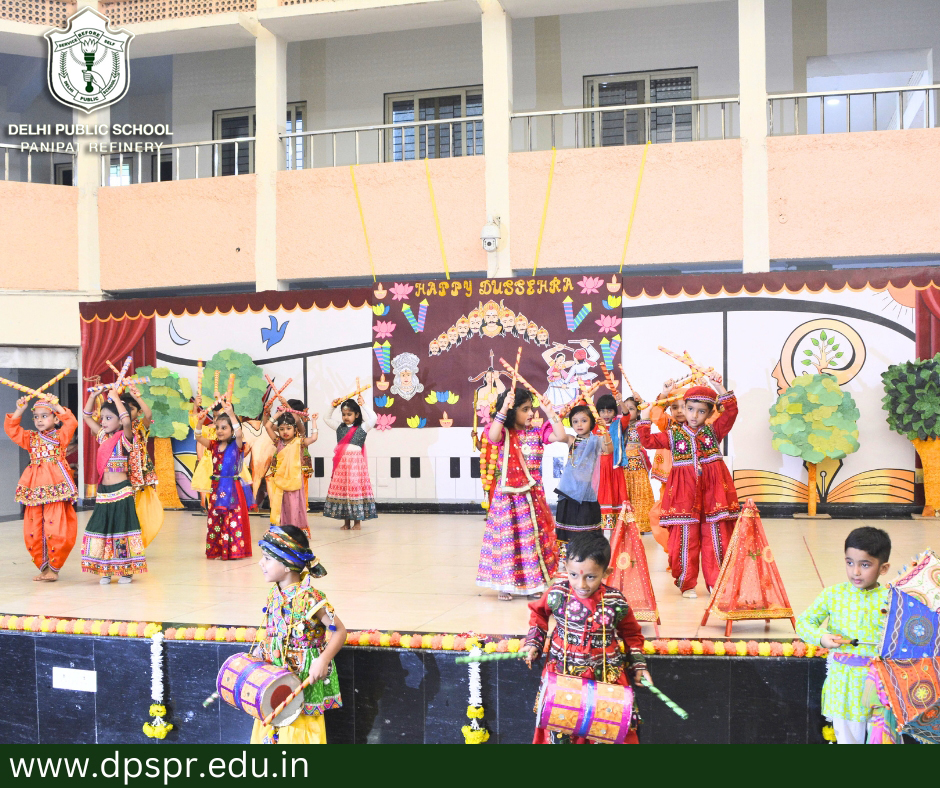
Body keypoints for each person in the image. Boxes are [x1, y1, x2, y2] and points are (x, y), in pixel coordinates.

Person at [523, 531, 652, 744]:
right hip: (563, 675)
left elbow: (631, 633)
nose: (581, 584)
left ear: (606, 572)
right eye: (574, 575)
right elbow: (538, 614)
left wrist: (638, 665)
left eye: (590, 577)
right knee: (562, 730)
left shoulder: (615, 601)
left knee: (608, 730)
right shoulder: (556, 594)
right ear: (566, 568)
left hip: (606, 676)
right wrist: (534, 643)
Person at [636, 374, 739, 598]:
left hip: (713, 494)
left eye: (701, 411)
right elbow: (647, 441)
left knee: (715, 536)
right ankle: (687, 583)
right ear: (684, 407)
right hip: (684, 495)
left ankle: (716, 582)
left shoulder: (714, 431)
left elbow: (731, 411)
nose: (694, 415)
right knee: (684, 539)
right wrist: (645, 416)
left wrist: (718, 386)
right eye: (690, 409)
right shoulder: (673, 434)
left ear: (709, 414)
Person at [796, 527, 891, 744]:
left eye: (865, 565)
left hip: (880, 685)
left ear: (883, 568)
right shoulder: (834, 595)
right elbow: (803, 623)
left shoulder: (892, 598)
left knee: (884, 739)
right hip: (843, 686)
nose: (855, 572)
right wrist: (822, 638)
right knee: (848, 740)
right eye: (849, 562)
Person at [251, 525, 345, 745]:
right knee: (269, 720)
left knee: (299, 732)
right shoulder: (274, 594)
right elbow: (276, 631)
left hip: (303, 678)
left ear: (287, 564)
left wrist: (323, 660)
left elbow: (339, 631)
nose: (260, 563)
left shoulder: (311, 598)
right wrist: (262, 648)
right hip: (274, 675)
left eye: (267, 558)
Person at [475, 385, 567, 601]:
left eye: (531, 409)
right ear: (512, 411)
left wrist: (550, 412)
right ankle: (505, 584)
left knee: (531, 540)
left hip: (532, 496)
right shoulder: (504, 433)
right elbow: (493, 435)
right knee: (507, 539)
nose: (531, 413)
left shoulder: (537, 432)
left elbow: (561, 436)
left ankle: (534, 583)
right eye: (525, 409)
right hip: (507, 498)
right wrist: (503, 408)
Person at [4, 395, 78, 581]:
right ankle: (44, 568)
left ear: (55, 419)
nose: (39, 420)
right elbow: (12, 429)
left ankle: (54, 568)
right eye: (36, 416)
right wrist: (20, 409)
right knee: (33, 529)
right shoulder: (31, 438)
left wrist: (57, 405)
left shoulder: (60, 437)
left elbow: (71, 422)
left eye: (44, 416)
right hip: (35, 488)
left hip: (56, 487)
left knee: (56, 527)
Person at [80, 389, 147, 583]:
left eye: (109, 418)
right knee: (103, 528)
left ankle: (125, 569)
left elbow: (126, 421)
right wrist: (92, 396)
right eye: (102, 418)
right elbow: (86, 416)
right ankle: (106, 568)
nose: (103, 422)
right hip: (104, 492)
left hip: (121, 491)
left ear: (119, 420)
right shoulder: (102, 436)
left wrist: (116, 399)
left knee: (121, 529)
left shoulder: (125, 437)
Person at [194, 401, 254, 560]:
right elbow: (198, 436)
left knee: (232, 517)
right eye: (218, 427)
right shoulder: (213, 445)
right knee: (216, 518)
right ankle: (218, 550)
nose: (219, 431)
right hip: (216, 488)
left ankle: (232, 550)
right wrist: (200, 422)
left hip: (232, 488)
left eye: (224, 428)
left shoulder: (236, 446)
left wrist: (232, 414)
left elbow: (239, 434)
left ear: (232, 430)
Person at [554, 404, 611, 558]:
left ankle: (588, 557)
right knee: (567, 526)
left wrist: (604, 430)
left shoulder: (596, 440)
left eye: (584, 420)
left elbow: (609, 449)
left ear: (592, 422)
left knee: (587, 525)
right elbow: (559, 435)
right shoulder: (571, 440)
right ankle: (567, 558)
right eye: (575, 421)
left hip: (586, 493)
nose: (579, 424)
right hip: (568, 491)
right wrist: (559, 415)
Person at [323, 393, 377, 529]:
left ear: (357, 415)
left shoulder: (363, 427)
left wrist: (364, 404)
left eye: (349, 414)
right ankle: (346, 523)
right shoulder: (339, 427)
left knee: (355, 490)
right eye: (343, 414)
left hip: (355, 466)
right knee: (344, 492)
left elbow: (374, 418)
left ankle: (357, 523)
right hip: (342, 466)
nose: (346, 417)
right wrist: (332, 406)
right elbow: (326, 418)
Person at [262, 405, 318, 535]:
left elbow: (314, 438)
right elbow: (268, 426)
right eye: (281, 429)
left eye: (288, 428)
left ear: (295, 430)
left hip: (294, 482)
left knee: (294, 506)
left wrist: (314, 422)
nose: (285, 432)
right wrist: (278, 414)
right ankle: (281, 530)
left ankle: (295, 532)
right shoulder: (278, 442)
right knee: (281, 506)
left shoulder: (299, 442)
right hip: (280, 482)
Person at [121, 385, 165, 547]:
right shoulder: (115, 427)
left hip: (139, 477)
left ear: (138, 412)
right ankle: (124, 542)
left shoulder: (140, 426)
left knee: (138, 510)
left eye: (131, 409)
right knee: (123, 510)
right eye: (123, 408)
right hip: (121, 475)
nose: (126, 412)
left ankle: (136, 541)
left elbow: (149, 414)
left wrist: (137, 397)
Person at [610, 395, 654, 534]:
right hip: (624, 464)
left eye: (632, 409)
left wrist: (641, 400)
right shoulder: (620, 425)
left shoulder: (642, 424)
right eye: (625, 408)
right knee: (625, 493)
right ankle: (624, 525)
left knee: (639, 493)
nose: (628, 411)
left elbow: (650, 411)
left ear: (639, 411)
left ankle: (640, 525)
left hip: (638, 464)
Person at [595, 394, 628, 530]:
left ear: (615, 412)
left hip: (614, 466)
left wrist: (621, 401)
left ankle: (614, 537)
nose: (606, 414)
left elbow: (626, 415)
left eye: (609, 411)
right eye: (602, 411)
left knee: (614, 496)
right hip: (598, 468)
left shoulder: (618, 425)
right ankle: (599, 535)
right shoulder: (593, 426)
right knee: (599, 498)